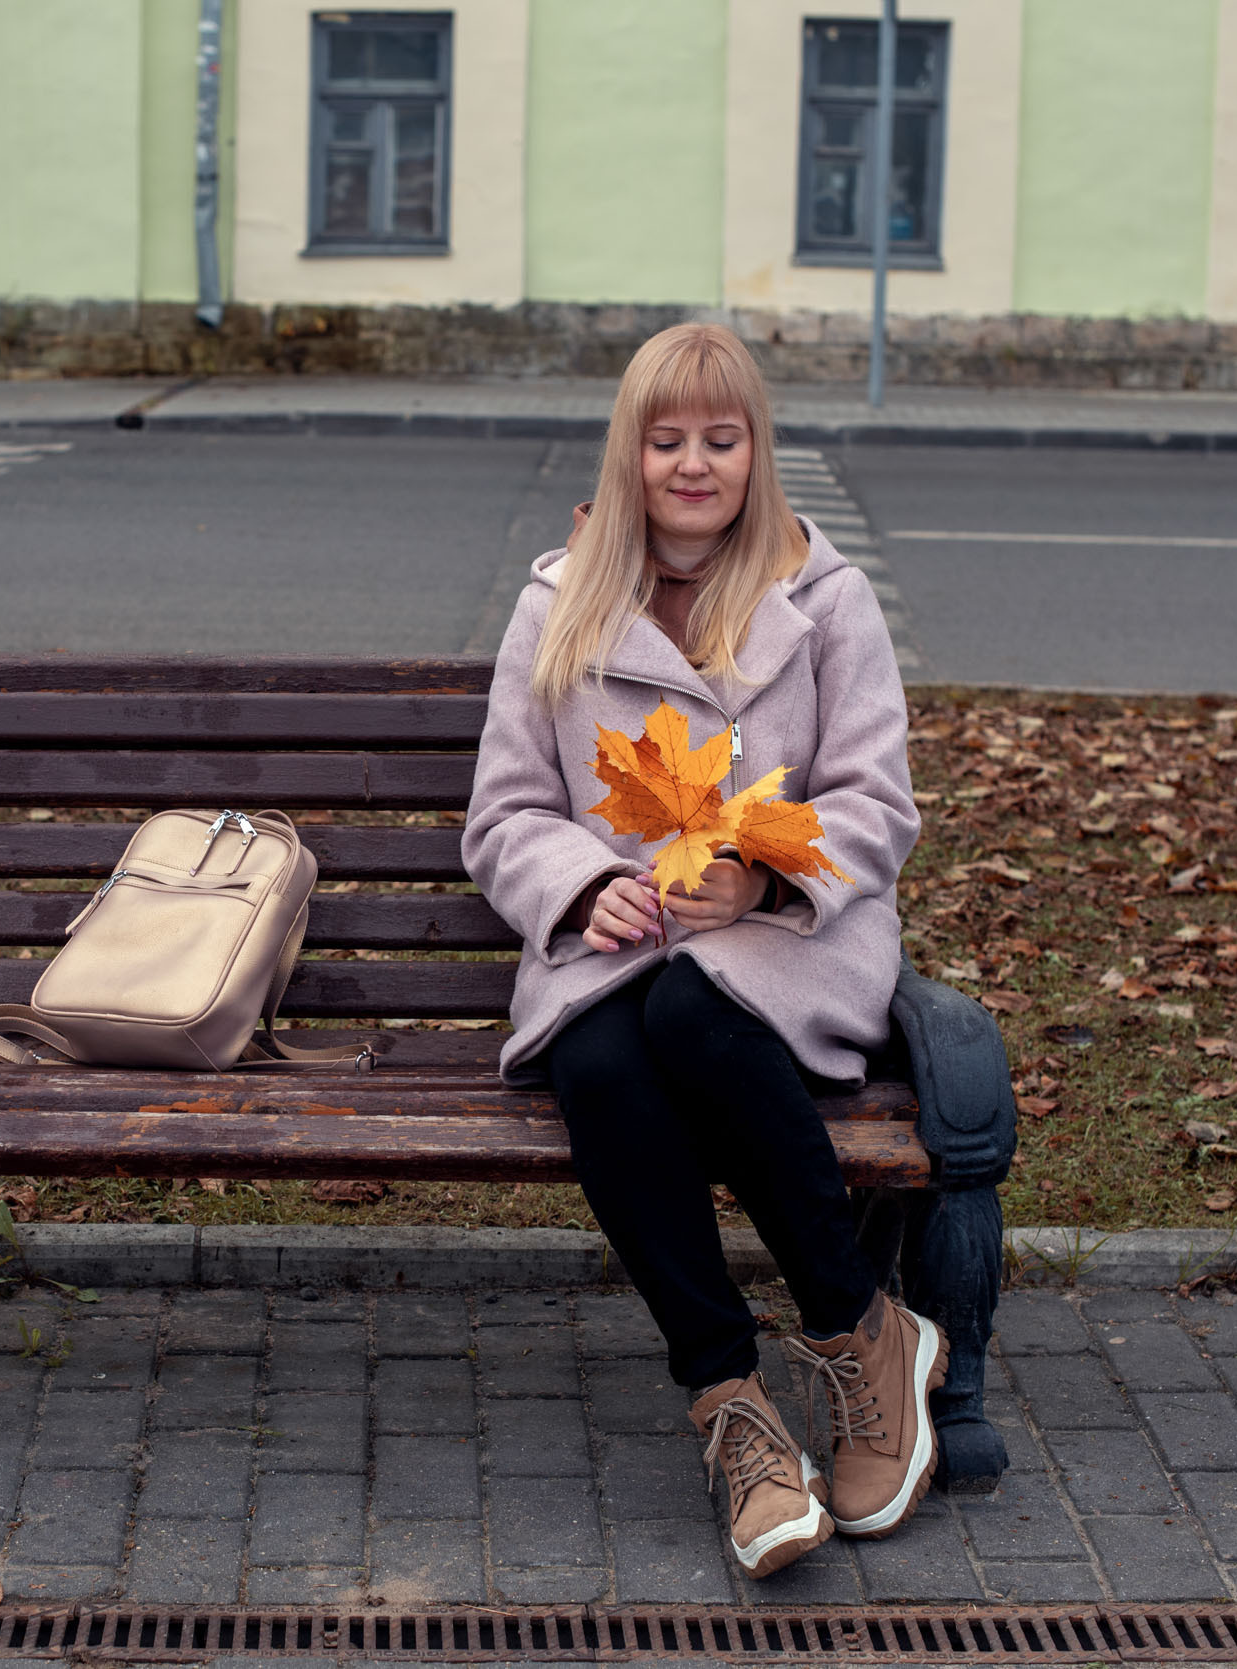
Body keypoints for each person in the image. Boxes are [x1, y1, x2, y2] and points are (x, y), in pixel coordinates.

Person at [462, 322, 935, 1578]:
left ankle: (851, 1334)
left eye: (719, 440)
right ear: (628, 453)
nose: (692, 464)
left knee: (683, 1020)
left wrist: (767, 862)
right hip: (619, 942)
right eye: (665, 439)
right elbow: (504, 813)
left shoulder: (821, 598)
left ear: (753, 452)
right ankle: (734, 1406)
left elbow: (877, 803)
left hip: (787, 938)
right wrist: (580, 885)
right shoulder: (560, 606)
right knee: (606, 1060)